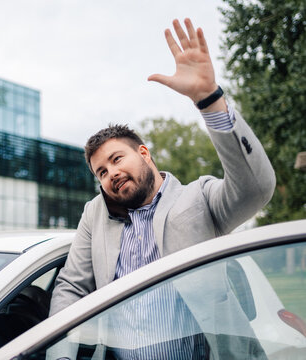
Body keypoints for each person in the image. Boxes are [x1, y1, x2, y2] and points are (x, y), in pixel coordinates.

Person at [49, 18, 275, 358]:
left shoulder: (198, 198)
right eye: (101, 171)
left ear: (143, 153)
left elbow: (255, 189)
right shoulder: (94, 214)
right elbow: (71, 286)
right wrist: (60, 354)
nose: (111, 173)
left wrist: (210, 100)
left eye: (116, 158)